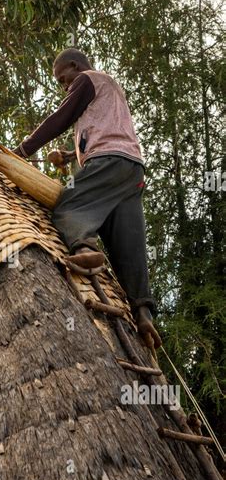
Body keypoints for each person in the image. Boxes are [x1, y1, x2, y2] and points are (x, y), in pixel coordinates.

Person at [11, 48, 161, 349]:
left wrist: (22, 151)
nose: (66, 87)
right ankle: (143, 311)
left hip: (107, 162)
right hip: (131, 170)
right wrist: (68, 155)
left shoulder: (88, 80)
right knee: (127, 244)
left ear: (75, 66)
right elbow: (106, 130)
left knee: (69, 204)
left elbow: (60, 118)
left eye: (64, 79)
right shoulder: (109, 89)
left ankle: (82, 246)